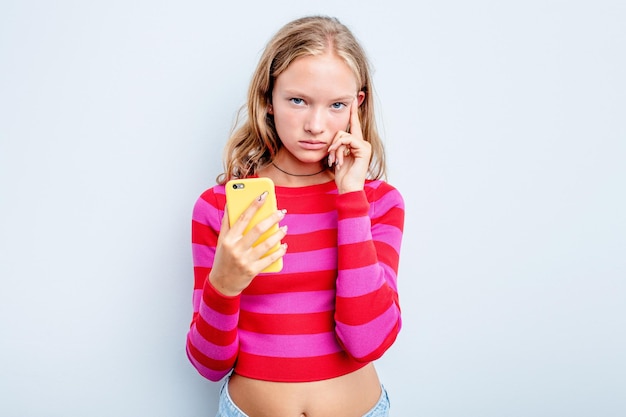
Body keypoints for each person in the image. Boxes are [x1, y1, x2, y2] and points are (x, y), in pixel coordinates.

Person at [187, 15, 405, 417]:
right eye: (298, 100)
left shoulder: (379, 202)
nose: (315, 125)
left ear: (357, 105)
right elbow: (208, 363)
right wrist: (224, 283)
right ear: (269, 98)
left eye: (336, 105)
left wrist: (351, 197)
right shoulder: (219, 207)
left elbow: (366, 341)